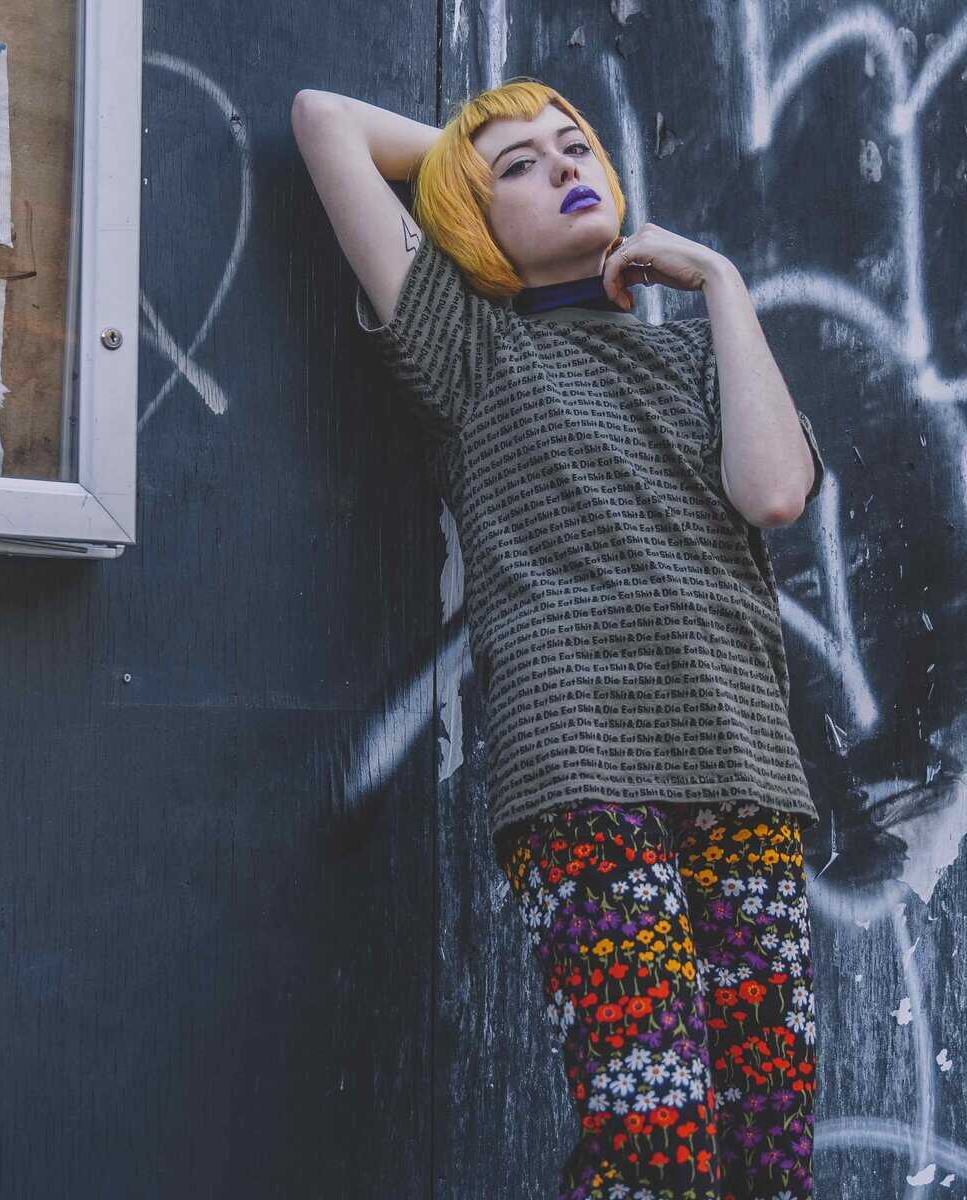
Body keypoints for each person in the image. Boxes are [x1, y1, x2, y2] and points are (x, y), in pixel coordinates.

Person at [292, 77, 827, 1199]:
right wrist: (462, 166)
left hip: (746, 769)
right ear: (470, 212)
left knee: (768, 1154)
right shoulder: (470, 347)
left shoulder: (704, 362)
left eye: (575, 145)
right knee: (655, 1149)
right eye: (521, 168)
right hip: (583, 774)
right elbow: (323, 119)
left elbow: (775, 492)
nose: (564, 167)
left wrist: (721, 283)